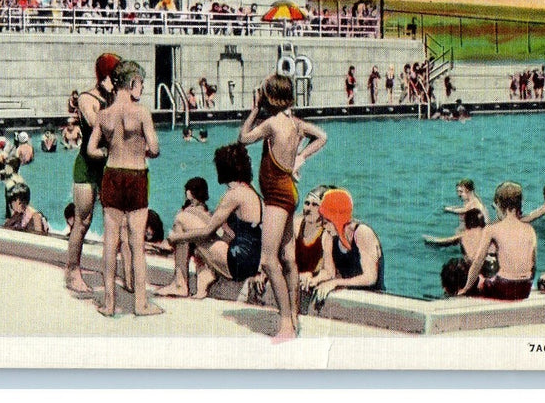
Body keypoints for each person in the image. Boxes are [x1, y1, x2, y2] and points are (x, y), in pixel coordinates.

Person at [238, 74, 327, 341]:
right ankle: (295, 317)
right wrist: (301, 157)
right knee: (288, 258)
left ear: (270, 97)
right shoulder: (296, 124)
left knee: (268, 260)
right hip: (289, 192)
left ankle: (286, 323)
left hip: (276, 196)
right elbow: (322, 136)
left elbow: (243, 138)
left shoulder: (271, 123)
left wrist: (254, 109)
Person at [88, 60, 163, 317]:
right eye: (141, 83)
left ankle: (109, 304)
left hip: (112, 173)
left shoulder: (104, 115)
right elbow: (155, 148)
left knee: (110, 242)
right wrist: (142, 150)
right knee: (136, 244)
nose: (142, 88)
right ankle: (141, 304)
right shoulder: (141, 113)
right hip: (136, 174)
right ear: (132, 83)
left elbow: (91, 149)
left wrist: (109, 151)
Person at [156, 146, 264, 299]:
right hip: (250, 262)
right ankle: (205, 275)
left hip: (237, 262)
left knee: (181, 220)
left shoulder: (233, 194)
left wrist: (174, 238)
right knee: (194, 232)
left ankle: (180, 284)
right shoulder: (251, 192)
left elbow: (208, 231)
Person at [64, 52, 121, 294]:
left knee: (117, 220)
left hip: (109, 164)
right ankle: (72, 271)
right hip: (87, 165)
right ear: (106, 75)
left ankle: (116, 271)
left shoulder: (116, 98)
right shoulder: (87, 99)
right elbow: (99, 125)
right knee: (83, 221)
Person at [459, 182, 537, 300]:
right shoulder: (530, 229)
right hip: (525, 289)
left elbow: (477, 262)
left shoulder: (491, 229)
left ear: (500, 204)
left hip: (503, 288)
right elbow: (533, 265)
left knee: (479, 281)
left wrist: (466, 288)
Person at [307, 189, 385, 306]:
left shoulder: (362, 233)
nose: (324, 226)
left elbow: (370, 277)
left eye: (327, 221)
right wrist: (314, 279)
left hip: (372, 299)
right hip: (348, 297)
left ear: (337, 219)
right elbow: (329, 272)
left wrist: (336, 283)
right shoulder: (329, 236)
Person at [424, 208, 489, 260]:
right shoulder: (488, 233)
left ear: (467, 222)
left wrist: (427, 239)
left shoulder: (463, 236)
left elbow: (442, 242)